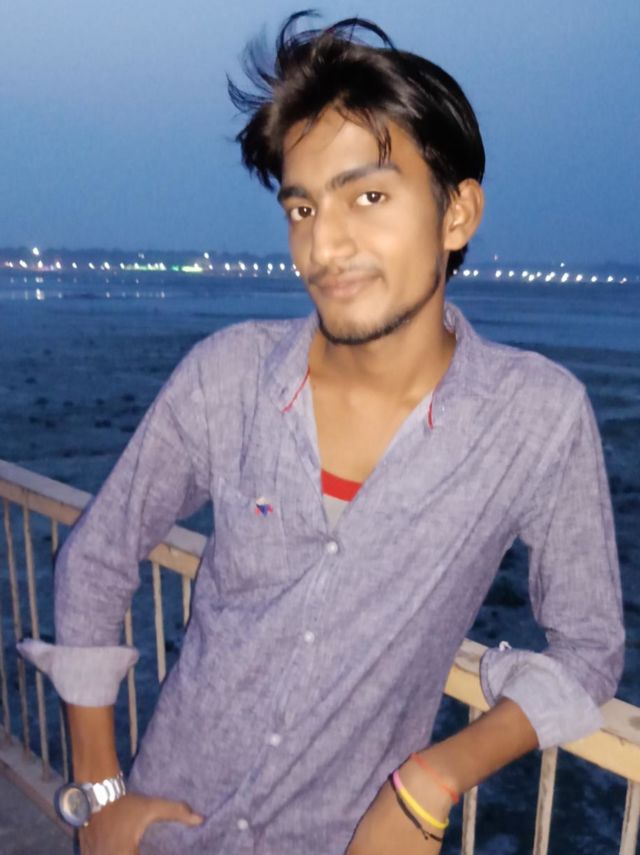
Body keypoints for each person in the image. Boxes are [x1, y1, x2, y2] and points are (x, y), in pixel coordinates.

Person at [19, 12, 624, 855]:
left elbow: (589, 648)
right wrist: (100, 795)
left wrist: (435, 775)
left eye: (368, 196)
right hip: (168, 833)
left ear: (457, 213)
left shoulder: (533, 417)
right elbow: (96, 555)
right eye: (302, 206)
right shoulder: (229, 377)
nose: (323, 243)